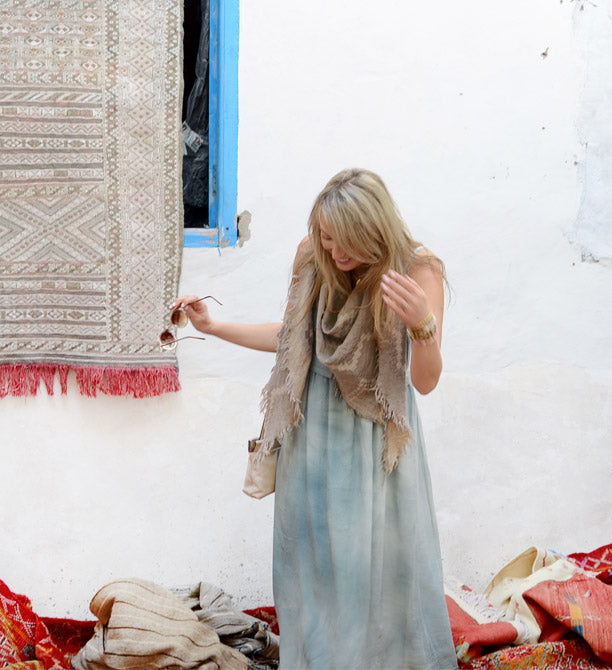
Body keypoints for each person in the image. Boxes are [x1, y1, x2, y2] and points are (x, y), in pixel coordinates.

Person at [172, 168, 458, 669]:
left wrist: (423, 326)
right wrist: (213, 327)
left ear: (375, 230)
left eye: (344, 241)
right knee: (312, 569)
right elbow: (292, 337)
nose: (333, 251)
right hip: (313, 435)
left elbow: (426, 382)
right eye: (326, 237)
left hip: (376, 447)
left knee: (379, 571)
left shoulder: (418, 270)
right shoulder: (315, 253)